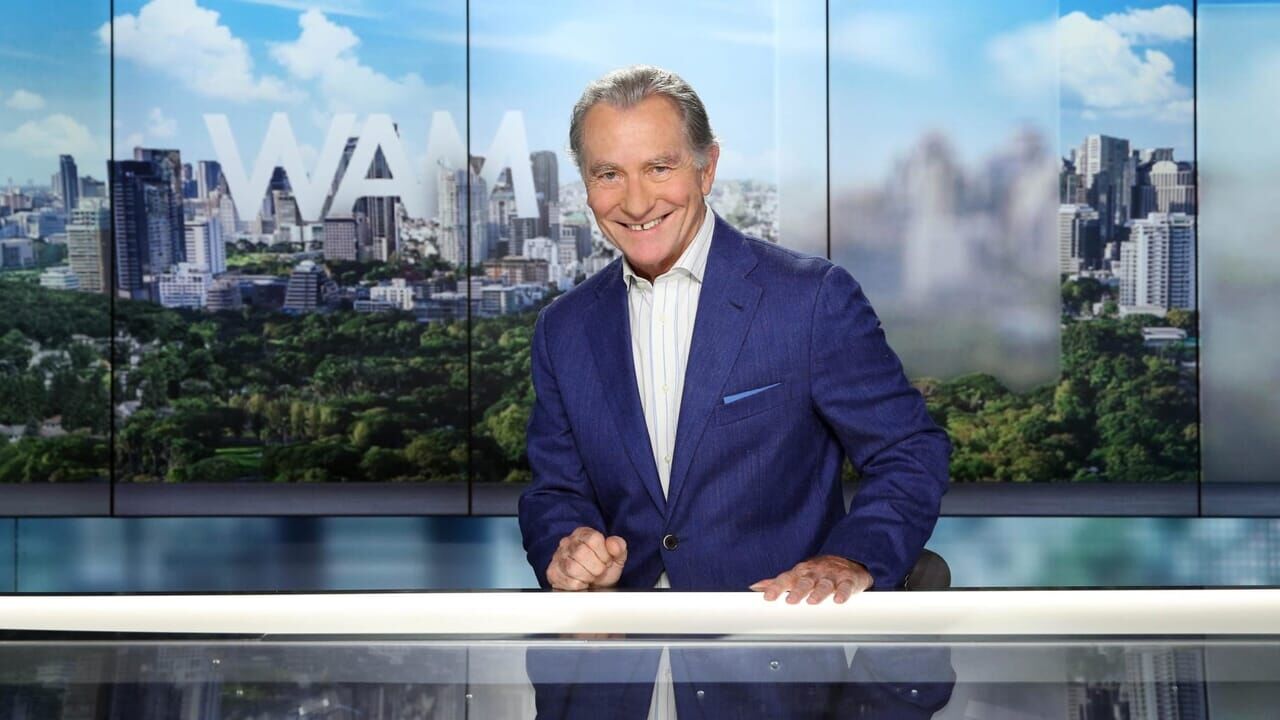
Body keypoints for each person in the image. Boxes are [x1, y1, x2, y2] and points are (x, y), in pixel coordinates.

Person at [518, 65, 950, 604]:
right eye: (609, 174)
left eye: (658, 168)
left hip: (776, 636)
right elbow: (555, 492)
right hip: (623, 641)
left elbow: (909, 451)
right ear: (585, 186)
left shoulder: (811, 299)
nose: (635, 202)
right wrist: (568, 548)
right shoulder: (563, 328)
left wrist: (851, 558)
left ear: (707, 169)